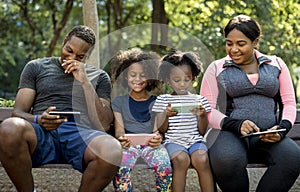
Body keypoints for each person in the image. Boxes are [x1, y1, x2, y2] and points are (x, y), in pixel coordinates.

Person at [0, 25, 122, 192]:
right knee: (9, 128)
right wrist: (39, 119)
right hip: (42, 132)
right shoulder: (36, 67)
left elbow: (104, 124)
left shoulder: (99, 77)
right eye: (69, 50)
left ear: (88, 55)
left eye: (80, 56)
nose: (71, 58)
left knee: (112, 149)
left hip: (81, 134)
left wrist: (85, 83)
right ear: (64, 42)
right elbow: (18, 112)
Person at [200, 14, 300, 192]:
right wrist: (235, 124)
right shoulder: (216, 68)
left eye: (241, 43)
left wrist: (282, 129)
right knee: (226, 159)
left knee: (292, 157)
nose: (233, 49)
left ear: (255, 42)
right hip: (228, 134)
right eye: (229, 43)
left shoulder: (276, 64)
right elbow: (206, 108)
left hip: (268, 135)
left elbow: (289, 103)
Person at [110, 48, 172, 192]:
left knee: (164, 167)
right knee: (121, 168)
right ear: (125, 76)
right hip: (128, 146)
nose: (137, 79)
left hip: (152, 145)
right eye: (133, 75)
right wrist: (121, 139)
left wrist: (158, 138)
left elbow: (157, 131)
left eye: (142, 75)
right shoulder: (119, 102)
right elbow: (119, 131)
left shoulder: (157, 101)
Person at [152, 50, 214, 192]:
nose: (182, 84)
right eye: (177, 80)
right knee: (181, 160)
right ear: (168, 79)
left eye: (187, 79)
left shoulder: (199, 100)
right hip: (173, 141)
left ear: (193, 78)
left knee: (202, 159)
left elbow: (203, 131)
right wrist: (166, 115)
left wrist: (203, 115)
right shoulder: (163, 100)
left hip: (195, 140)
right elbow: (161, 129)